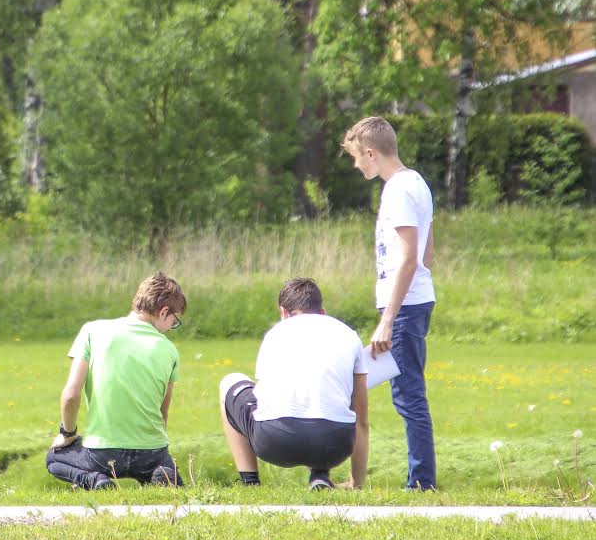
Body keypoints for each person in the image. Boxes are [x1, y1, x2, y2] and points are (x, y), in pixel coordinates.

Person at [342, 116, 437, 490]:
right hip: (413, 302)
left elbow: (412, 257)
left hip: (405, 309)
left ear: (371, 152)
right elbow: (428, 253)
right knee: (388, 387)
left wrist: (388, 319)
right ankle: (416, 479)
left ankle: (421, 482)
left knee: (408, 394)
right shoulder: (417, 183)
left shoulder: (398, 189)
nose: (355, 165)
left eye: (356, 157)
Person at [219, 278, 369, 490]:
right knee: (320, 399)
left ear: (283, 313)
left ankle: (250, 482)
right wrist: (357, 483)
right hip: (335, 446)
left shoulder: (275, 334)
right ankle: (320, 475)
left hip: (275, 442)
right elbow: (361, 420)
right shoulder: (349, 335)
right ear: (322, 312)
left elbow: (264, 397)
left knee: (229, 382)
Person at [46, 272, 185, 490]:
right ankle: (159, 474)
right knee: (159, 467)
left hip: (102, 453)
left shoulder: (93, 331)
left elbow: (71, 394)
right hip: (151, 450)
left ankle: (96, 480)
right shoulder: (169, 349)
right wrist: (151, 448)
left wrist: (68, 434)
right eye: (174, 321)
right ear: (164, 311)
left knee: (54, 459)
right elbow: (162, 412)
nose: (171, 327)